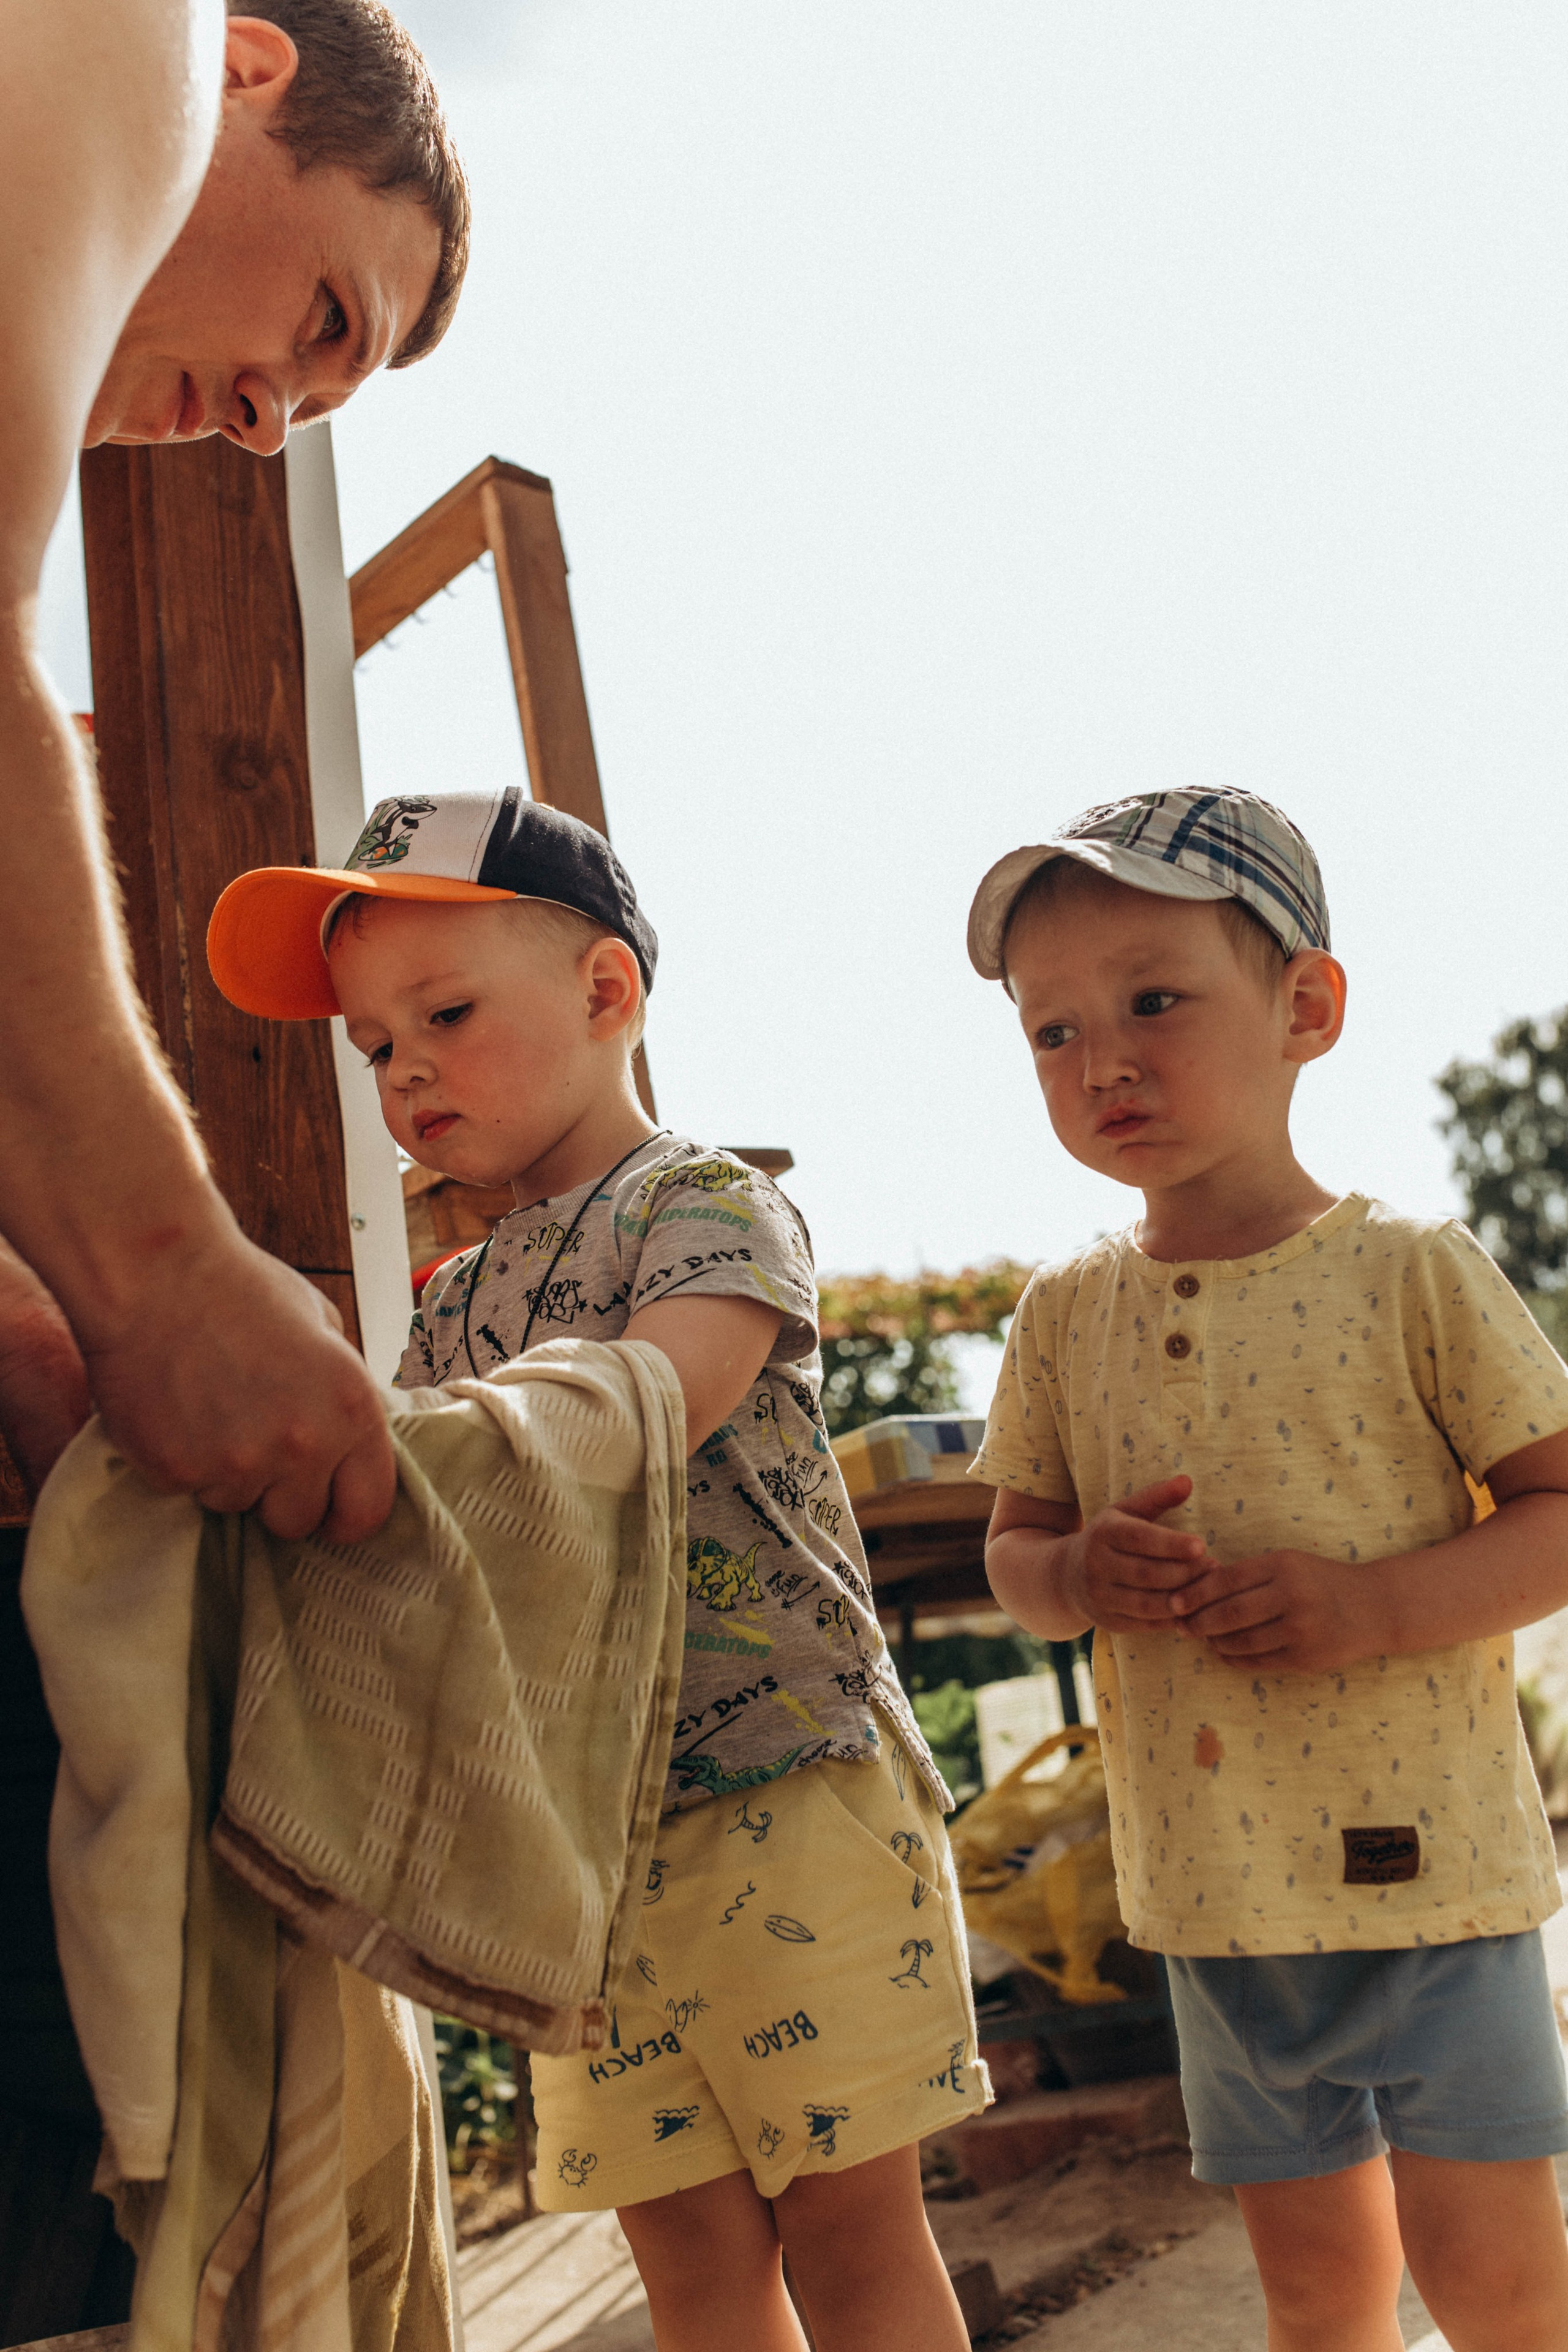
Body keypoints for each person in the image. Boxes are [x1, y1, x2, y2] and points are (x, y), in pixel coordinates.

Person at [205, 785, 992, 2352]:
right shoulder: (447, 1305)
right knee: (688, 2264)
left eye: (442, 1014)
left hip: (785, 1785)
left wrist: (406, 1454)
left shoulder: (704, 1205)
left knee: (849, 2233)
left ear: (605, 989)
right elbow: (416, 1539)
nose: (402, 1068)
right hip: (571, 1849)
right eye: (371, 1044)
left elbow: (651, 1404)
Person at [967, 786, 1568, 2352]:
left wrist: (1374, 1606)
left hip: (1435, 1877)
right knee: (1313, 2295)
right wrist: (1076, 1575)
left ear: (1305, 1008)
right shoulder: (1060, 1315)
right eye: (1050, 1030)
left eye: (1152, 1002)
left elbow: (1556, 1510)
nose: (1101, 1062)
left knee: (1497, 2284)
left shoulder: (1410, 1270)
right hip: (1216, 1897)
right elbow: (1012, 1559)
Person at [0, 0, 469, 1542]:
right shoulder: (132, 25)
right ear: (241, 68)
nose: (264, 424)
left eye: (310, 409)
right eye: (328, 318)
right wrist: (163, 1275)